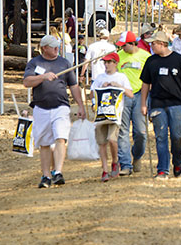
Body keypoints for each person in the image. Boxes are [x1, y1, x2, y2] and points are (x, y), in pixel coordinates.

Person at [22, 35, 86, 188]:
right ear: (44, 47)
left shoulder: (64, 63)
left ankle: (58, 171)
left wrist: (81, 105)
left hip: (61, 106)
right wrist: (43, 77)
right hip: (41, 107)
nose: (57, 49)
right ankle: (46, 175)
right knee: (44, 143)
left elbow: (74, 86)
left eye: (58, 46)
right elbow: (26, 82)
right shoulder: (35, 62)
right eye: (53, 46)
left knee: (60, 137)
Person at [140, 31, 181, 179]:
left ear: (162, 44)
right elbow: (146, 84)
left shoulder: (178, 60)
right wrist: (143, 104)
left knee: (177, 136)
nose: (151, 46)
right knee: (160, 137)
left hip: (176, 104)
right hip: (157, 104)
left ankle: (177, 160)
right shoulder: (150, 61)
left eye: (153, 43)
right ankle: (162, 169)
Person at [90, 52, 133, 182]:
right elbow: (92, 93)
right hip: (101, 114)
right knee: (102, 142)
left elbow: (130, 94)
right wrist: (94, 102)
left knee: (112, 140)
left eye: (109, 62)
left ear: (115, 63)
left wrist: (118, 86)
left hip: (115, 115)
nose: (106, 65)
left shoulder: (121, 77)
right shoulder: (99, 78)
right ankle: (104, 170)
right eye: (105, 62)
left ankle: (115, 162)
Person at [115, 31, 151, 176]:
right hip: (122, 96)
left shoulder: (145, 57)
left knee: (140, 132)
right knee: (122, 131)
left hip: (140, 96)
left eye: (125, 46)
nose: (122, 48)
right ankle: (125, 164)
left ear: (133, 44)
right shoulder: (118, 57)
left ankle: (137, 155)